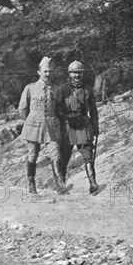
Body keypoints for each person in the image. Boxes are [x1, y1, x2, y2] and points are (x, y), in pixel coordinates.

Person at [18, 57, 67, 195]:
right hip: (34, 125)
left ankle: (59, 183)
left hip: (51, 125)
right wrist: (28, 120)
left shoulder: (56, 89)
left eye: (49, 72)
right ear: (38, 72)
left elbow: (59, 106)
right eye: (45, 71)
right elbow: (22, 108)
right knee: (33, 154)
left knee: (55, 152)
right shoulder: (30, 88)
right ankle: (31, 183)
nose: (47, 74)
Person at [57, 60, 100, 195]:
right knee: (64, 156)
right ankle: (61, 184)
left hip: (83, 124)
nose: (77, 75)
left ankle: (93, 183)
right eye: (74, 73)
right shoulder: (62, 90)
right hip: (67, 126)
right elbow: (57, 110)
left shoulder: (88, 90)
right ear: (70, 74)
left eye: (79, 73)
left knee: (88, 154)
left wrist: (95, 126)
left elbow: (93, 110)